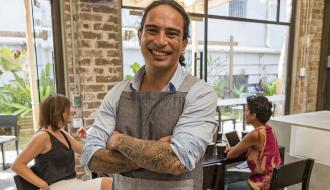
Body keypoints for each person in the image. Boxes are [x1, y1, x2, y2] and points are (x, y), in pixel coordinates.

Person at [81, 1, 218, 189]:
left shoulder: (200, 93)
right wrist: (155, 153)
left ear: (184, 44)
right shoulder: (118, 93)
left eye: (172, 33)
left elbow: (177, 161)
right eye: (152, 30)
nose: (161, 41)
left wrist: (119, 140)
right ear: (140, 36)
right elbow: (90, 157)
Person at [11, 94, 112, 190]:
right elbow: (17, 165)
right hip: (57, 186)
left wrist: (86, 138)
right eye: (68, 108)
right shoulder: (42, 136)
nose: (71, 111)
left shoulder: (61, 133)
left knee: (110, 182)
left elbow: (84, 150)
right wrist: (42, 184)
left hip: (72, 184)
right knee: (108, 183)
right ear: (58, 112)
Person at [225, 95, 282, 190]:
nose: (244, 113)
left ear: (254, 116)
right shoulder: (270, 129)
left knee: (229, 185)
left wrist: (234, 149)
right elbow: (261, 148)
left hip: (262, 184)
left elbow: (230, 155)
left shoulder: (255, 134)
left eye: (247, 110)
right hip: (275, 181)